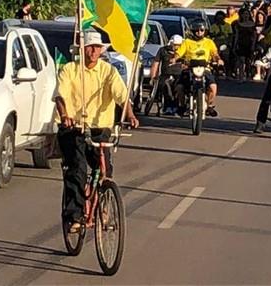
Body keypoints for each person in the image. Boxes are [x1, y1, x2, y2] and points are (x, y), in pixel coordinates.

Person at [54, 31, 138, 234]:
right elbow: (60, 97)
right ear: (82, 49)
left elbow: (122, 96)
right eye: (90, 47)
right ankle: (75, 216)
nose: (93, 51)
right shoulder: (69, 70)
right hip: (73, 128)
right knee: (78, 168)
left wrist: (131, 115)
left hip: (100, 128)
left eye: (97, 48)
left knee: (105, 170)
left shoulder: (108, 71)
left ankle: (105, 206)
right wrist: (65, 116)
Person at [175, 23, 223, 117]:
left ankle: (208, 105)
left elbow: (214, 53)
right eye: (197, 30)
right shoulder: (187, 42)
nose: (199, 32)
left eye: (201, 30)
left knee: (213, 87)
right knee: (179, 87)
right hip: (189, 69)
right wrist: (174, 58)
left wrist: (218, 60)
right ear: (193, 31)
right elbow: (179, 53)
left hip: (205, 69)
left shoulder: (209, 42)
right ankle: (182, 105)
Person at [152, 34, 184, 114]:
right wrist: (153, 77)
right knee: (164, 85)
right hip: (165, 74)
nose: (176, 47)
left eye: (178, 45)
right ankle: (168, 106)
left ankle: (178, 106)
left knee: (179, 87)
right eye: (175, 45)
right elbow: (156, 63)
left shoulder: (183, 52)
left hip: (179, 75)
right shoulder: (163, 50)